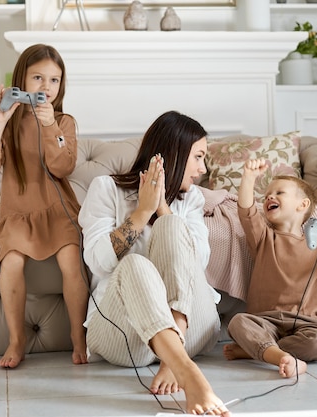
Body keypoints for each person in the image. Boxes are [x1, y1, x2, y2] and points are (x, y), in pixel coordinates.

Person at [78, 111, 231, 416]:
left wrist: (163, 210)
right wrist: (142, 212)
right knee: (135, 264)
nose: (202, 170)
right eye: (198, 157)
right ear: (174, 154)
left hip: (192, 327)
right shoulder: (106, 189)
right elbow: (98, 263)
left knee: (173, 228)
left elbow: (195, 263)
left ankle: (173, 359)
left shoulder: (192, 200)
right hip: (123, 334)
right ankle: (186, 369)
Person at [0, 44, 88, 369]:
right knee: (10, 262)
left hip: (57, 211)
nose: (45, 87)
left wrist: (51, 127)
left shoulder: (64, 122)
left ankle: (78, 338)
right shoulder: (5, 122)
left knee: (70, 261)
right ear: (21, 78)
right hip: (18, 215)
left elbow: (64, 167)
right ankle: (16, 339)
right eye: (38, 77)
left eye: (54, 80)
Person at [223, 158, 317, 378]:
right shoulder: (263, 237)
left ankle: (259, 351)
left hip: (307, 323)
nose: (270, 196)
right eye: (267, 194)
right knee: (238, 323)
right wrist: (249, 177)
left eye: (280, 193)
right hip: (265, 320)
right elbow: (246, 211)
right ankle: (278, 356)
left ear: (303, 205)